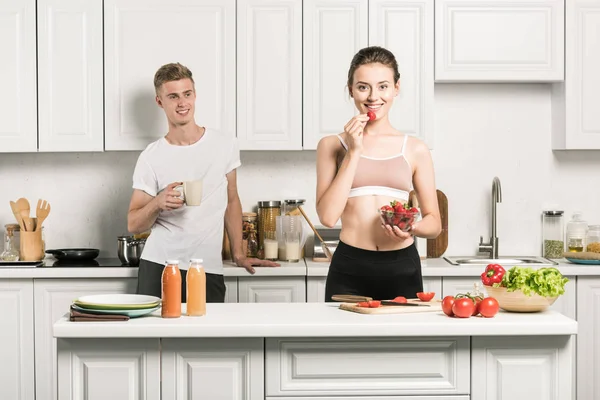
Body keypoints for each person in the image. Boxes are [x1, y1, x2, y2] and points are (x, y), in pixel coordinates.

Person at [127, 62, 279, 303]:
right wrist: (157, 203)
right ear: (160, 102)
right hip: (159, 265)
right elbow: (133, 224)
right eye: (173, 96)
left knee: (208, 340)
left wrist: (239, 253)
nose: (182, 103)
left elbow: (232, 200)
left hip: (206, 267)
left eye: (187, 94)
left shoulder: (224, 144)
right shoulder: (151, 156)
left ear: (195, 95)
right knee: (155, 340)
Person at [316, 46, 441, 302]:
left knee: (403, 343)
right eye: (363, 87)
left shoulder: (415, 148)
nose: (374, 97)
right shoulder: (332, 146)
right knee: (344, 342)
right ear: (350, 89)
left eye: (383, 86)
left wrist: (411, 228)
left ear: (396, 88)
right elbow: (328, 217)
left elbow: (435, 223)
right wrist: (354, 151)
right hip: (349, 266)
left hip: (402, 266)